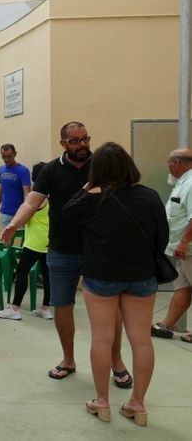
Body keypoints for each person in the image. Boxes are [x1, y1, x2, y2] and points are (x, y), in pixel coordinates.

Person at [1, 122, 131, 385]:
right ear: (63, 144)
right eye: (75, 141)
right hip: (61, 248)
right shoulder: (52, 170)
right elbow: (32, 201)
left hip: (99, 247)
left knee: (110, 308)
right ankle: (68, 359)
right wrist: (15, 224)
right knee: (62, 305)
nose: (82, 145)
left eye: (85, 139)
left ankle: (116, 360)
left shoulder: (101, 166)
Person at [63, 142, 166, 426]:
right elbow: (162, 238)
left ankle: (102, 402)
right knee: (141, 340)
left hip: (101, 276)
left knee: (102, 338)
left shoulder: (91, 200)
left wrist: (89, 186)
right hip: (142, 276)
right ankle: (138, 404)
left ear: (97, 170)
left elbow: (67, 212)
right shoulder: (150, 196)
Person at [0, 162, 53, 321]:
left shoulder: (36, 198)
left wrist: (13, 224)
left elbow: (25, 217)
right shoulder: (52, 196)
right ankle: (45, 309)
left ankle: (15, 308)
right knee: (47, 275)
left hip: (34, 242)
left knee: (21, 273)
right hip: (48, 241)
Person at [151, 148, 192, 340]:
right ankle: (167, 325)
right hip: (182, 249)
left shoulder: (191, 184)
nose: (167, 166)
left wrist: (184, 243)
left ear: (178, 163)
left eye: (169, 162)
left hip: (188, 248)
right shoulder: (181, 183)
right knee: (182, 287)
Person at [0, 144, 32, 228]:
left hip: (19, 214)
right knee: (5, 236)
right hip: (4, 214)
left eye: (9, 156)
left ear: (15, 154)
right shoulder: (1, 169)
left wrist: (26, 212)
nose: (6, 159)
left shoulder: (23, 171)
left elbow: (26, 192)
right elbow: (1, 189)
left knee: (21, 236)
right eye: (4, 157)